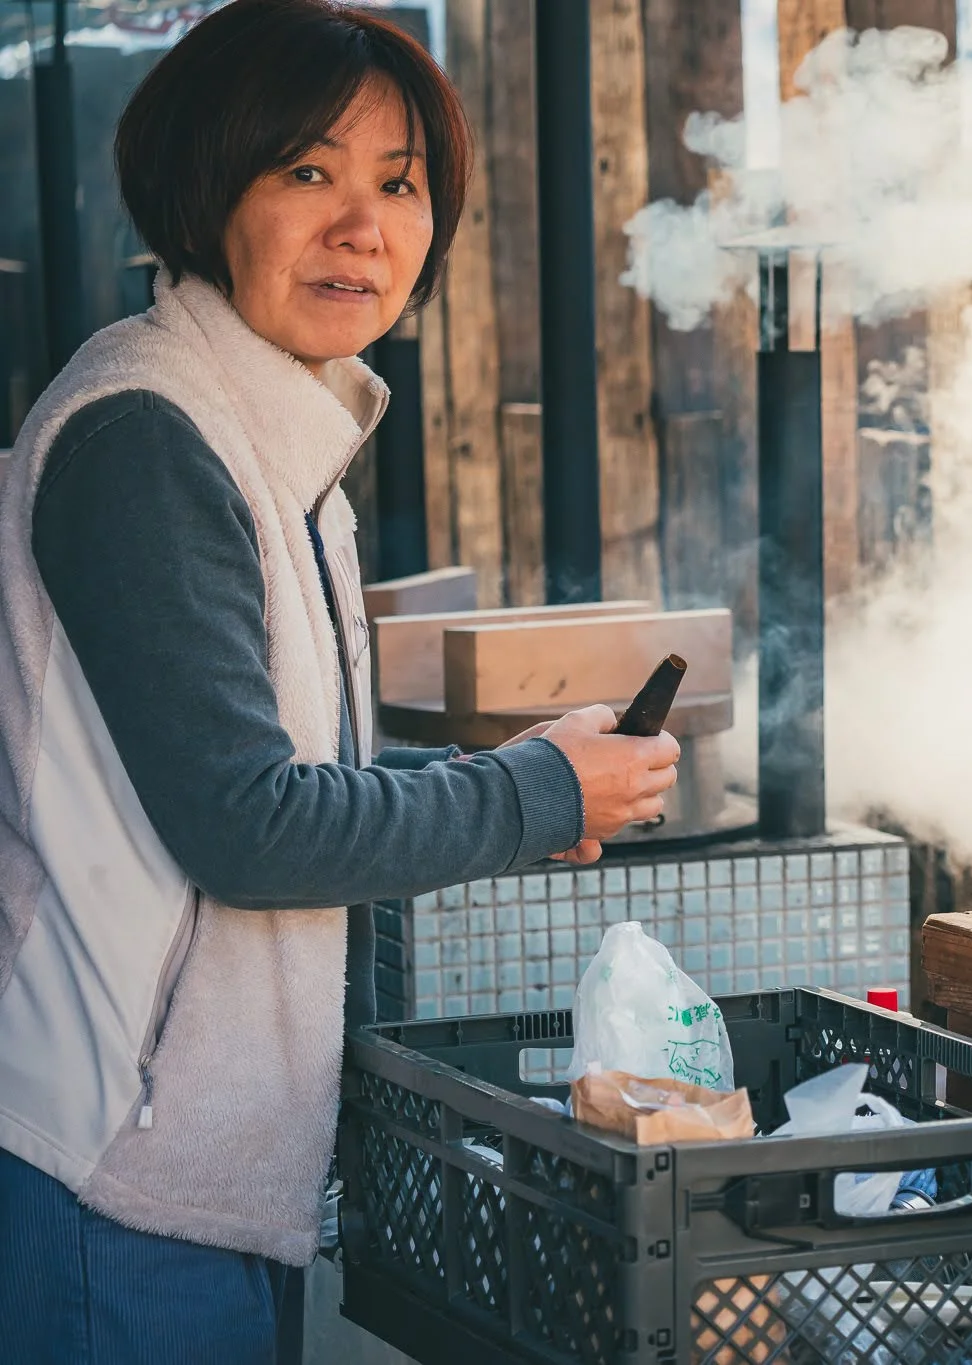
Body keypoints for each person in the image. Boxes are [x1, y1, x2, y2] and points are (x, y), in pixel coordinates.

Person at [0, 3, 680, 1359]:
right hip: (108, 1175)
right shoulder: (149, 434)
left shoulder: (270, 419)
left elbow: (274, 770)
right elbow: (249, 826)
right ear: (207, 193)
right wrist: (530, 794)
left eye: (398, 182)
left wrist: (525, 776)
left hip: (194, 1165)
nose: (361, 224)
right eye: (307, 172)